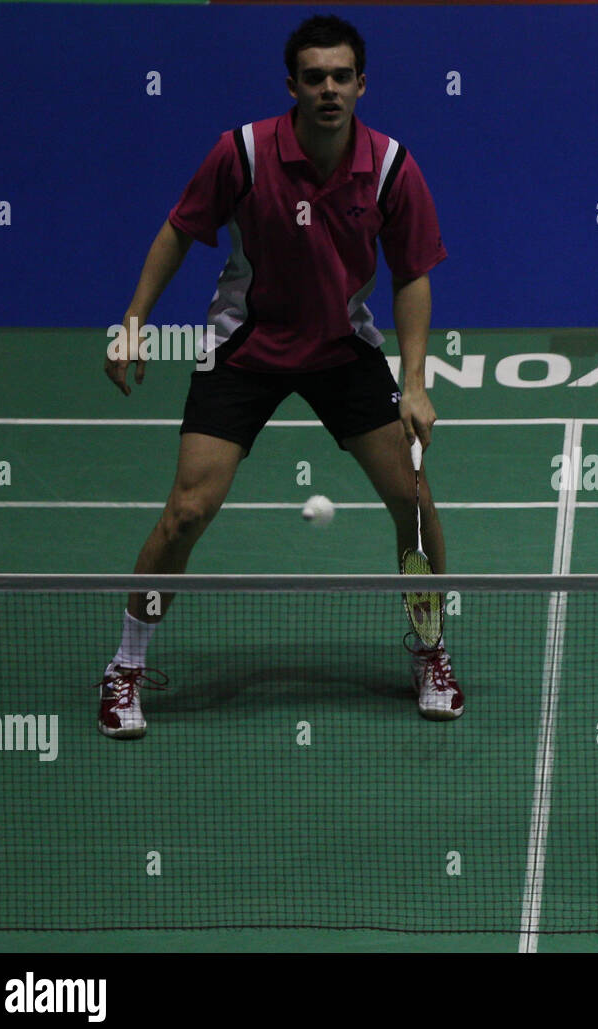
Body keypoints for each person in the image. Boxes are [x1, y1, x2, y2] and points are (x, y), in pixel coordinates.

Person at [98, 15, 463, 737]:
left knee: (414, 501)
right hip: (249, 344)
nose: (328, 89)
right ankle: (125, 665)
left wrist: (414, 380)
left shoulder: (390, 166)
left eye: (340, 76)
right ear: (292, 85)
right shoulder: (242, 152)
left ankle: (430, 650)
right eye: (313, 77)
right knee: (187, 512)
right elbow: (180, 228)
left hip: (340, 347)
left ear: (362, 83)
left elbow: (412, 274)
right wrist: (136, 317)